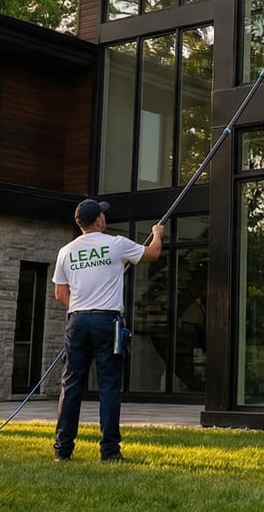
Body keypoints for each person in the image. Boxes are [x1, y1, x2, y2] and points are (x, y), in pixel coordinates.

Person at [52, 198, 164, 463]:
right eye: (103, 215)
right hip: (107, 322)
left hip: (77, 321)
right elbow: (152, 254)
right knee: (109, 387)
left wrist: (82, 308)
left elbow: (59, 293)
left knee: (71, 386)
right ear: (99, 220)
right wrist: (158, 235)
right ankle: (110, 451)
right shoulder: (116, 244)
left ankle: (62, 451)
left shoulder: (66, 251)